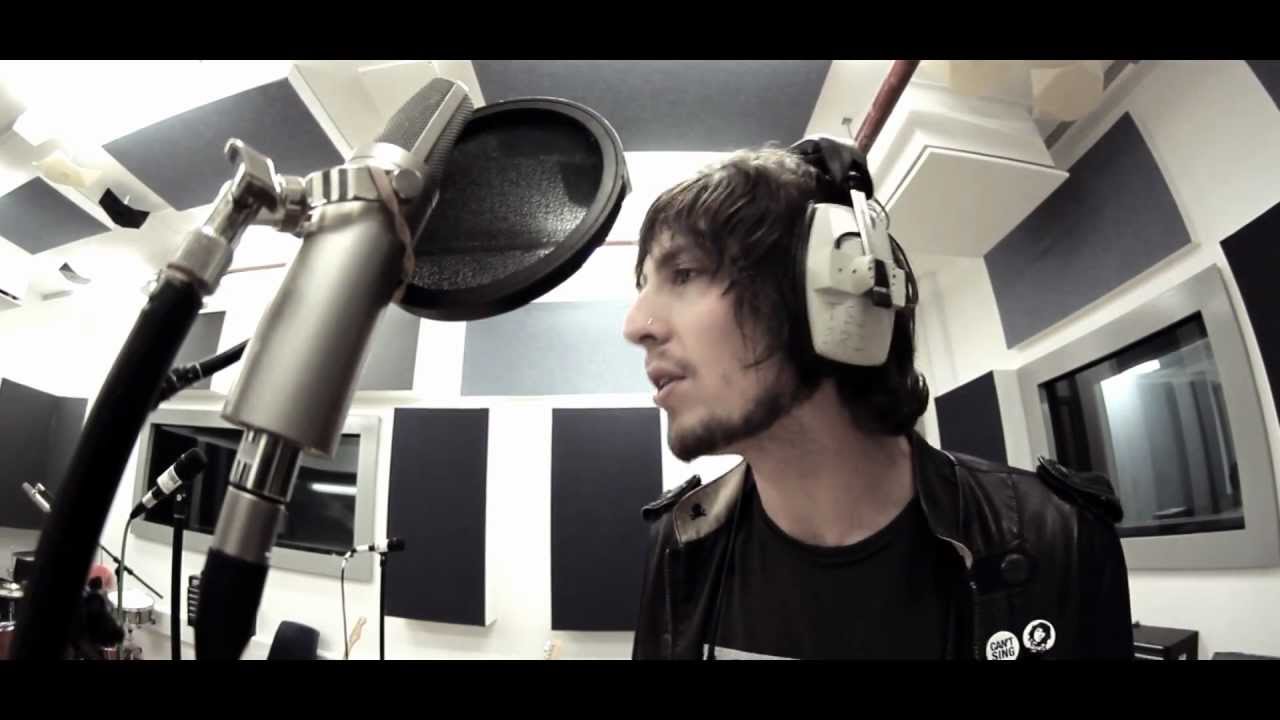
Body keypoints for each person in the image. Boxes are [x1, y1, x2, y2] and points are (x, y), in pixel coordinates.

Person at [622, 138, 1134, 660]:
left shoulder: (1058, 538)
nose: (635, 326)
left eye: (684, 274)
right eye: (643, 288)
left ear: (829, 291)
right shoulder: (679, 548)